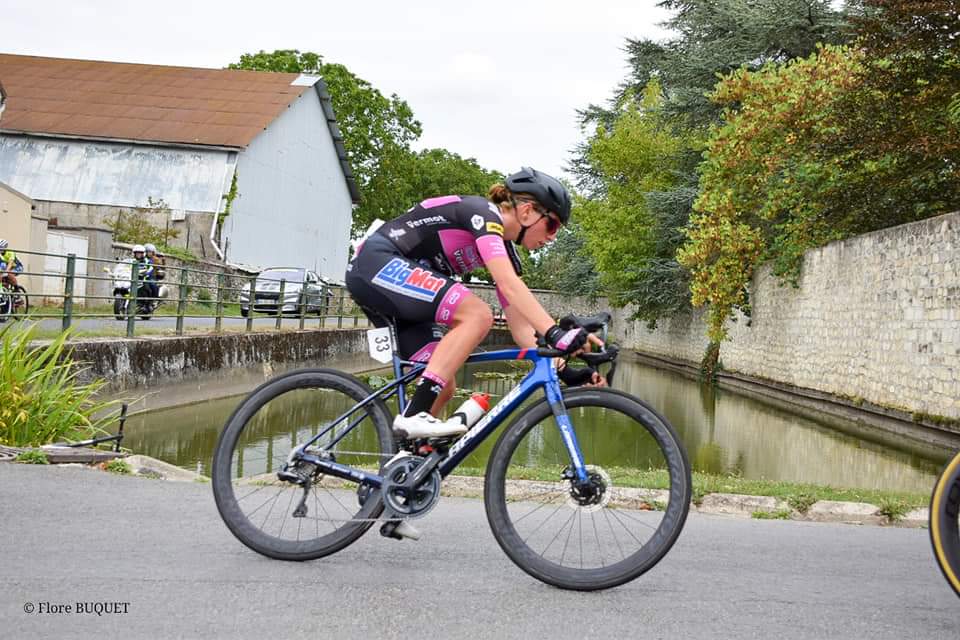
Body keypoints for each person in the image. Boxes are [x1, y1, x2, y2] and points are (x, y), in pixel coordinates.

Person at [346, 167, 603, 440]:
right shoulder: (483, 214)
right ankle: (412, 418)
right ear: (527, 211)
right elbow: (509, 285)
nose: (552, 237)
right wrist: (556, 333)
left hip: (402, 290)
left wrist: (565, 371)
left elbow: (522, 331)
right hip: (375, 263)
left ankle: (403, 463)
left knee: (443, 385)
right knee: (477, 315)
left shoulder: (504, 249)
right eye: (552, 225)